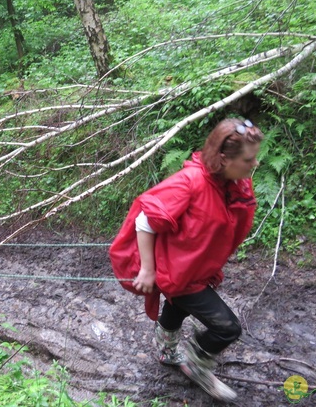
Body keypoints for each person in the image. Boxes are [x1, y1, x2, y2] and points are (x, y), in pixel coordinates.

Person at [109, 118, 264, 402]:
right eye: (248, 159)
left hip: (195, 268)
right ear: (223, 158)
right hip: (180, 274)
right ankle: (196, 362)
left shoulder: (230, 184)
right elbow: (146, 220)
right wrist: (146, 269)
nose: (254, 165)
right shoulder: (189, 183)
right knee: (227, 328)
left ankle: (166, 349)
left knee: (177, 307)